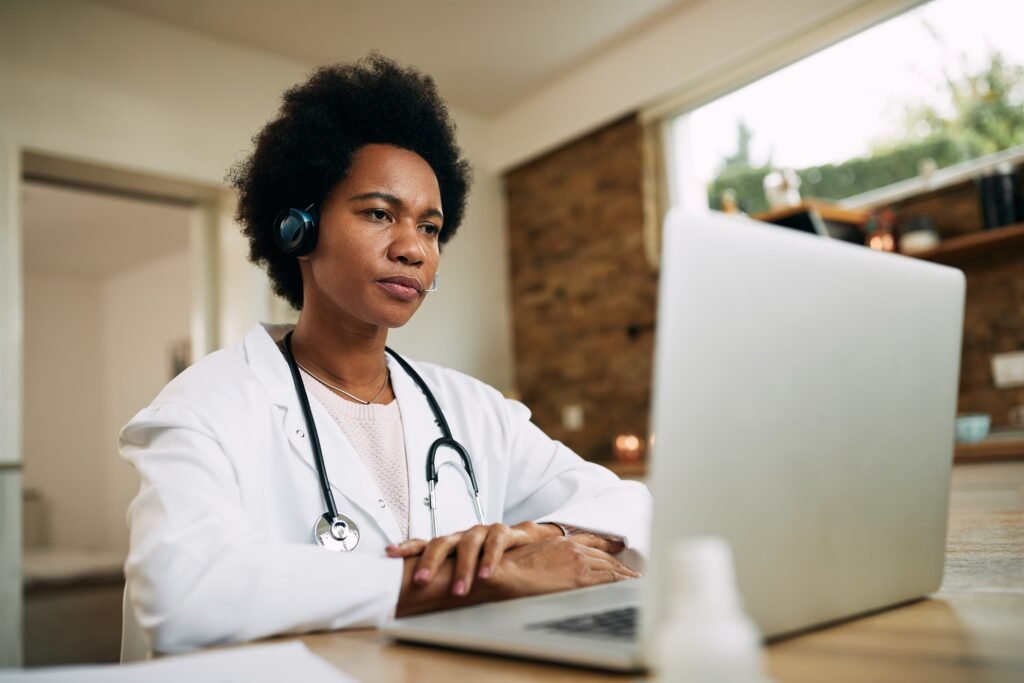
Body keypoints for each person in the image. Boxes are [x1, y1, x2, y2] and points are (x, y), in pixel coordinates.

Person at [119, 54, 651, 656]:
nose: (413, 249)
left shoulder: (471, 408)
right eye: (379, 214)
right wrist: (475, 579)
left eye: (430, 227)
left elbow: (633, 505)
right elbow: (183, 592)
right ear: (298, 228)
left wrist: (541, 538)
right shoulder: (207, 403)